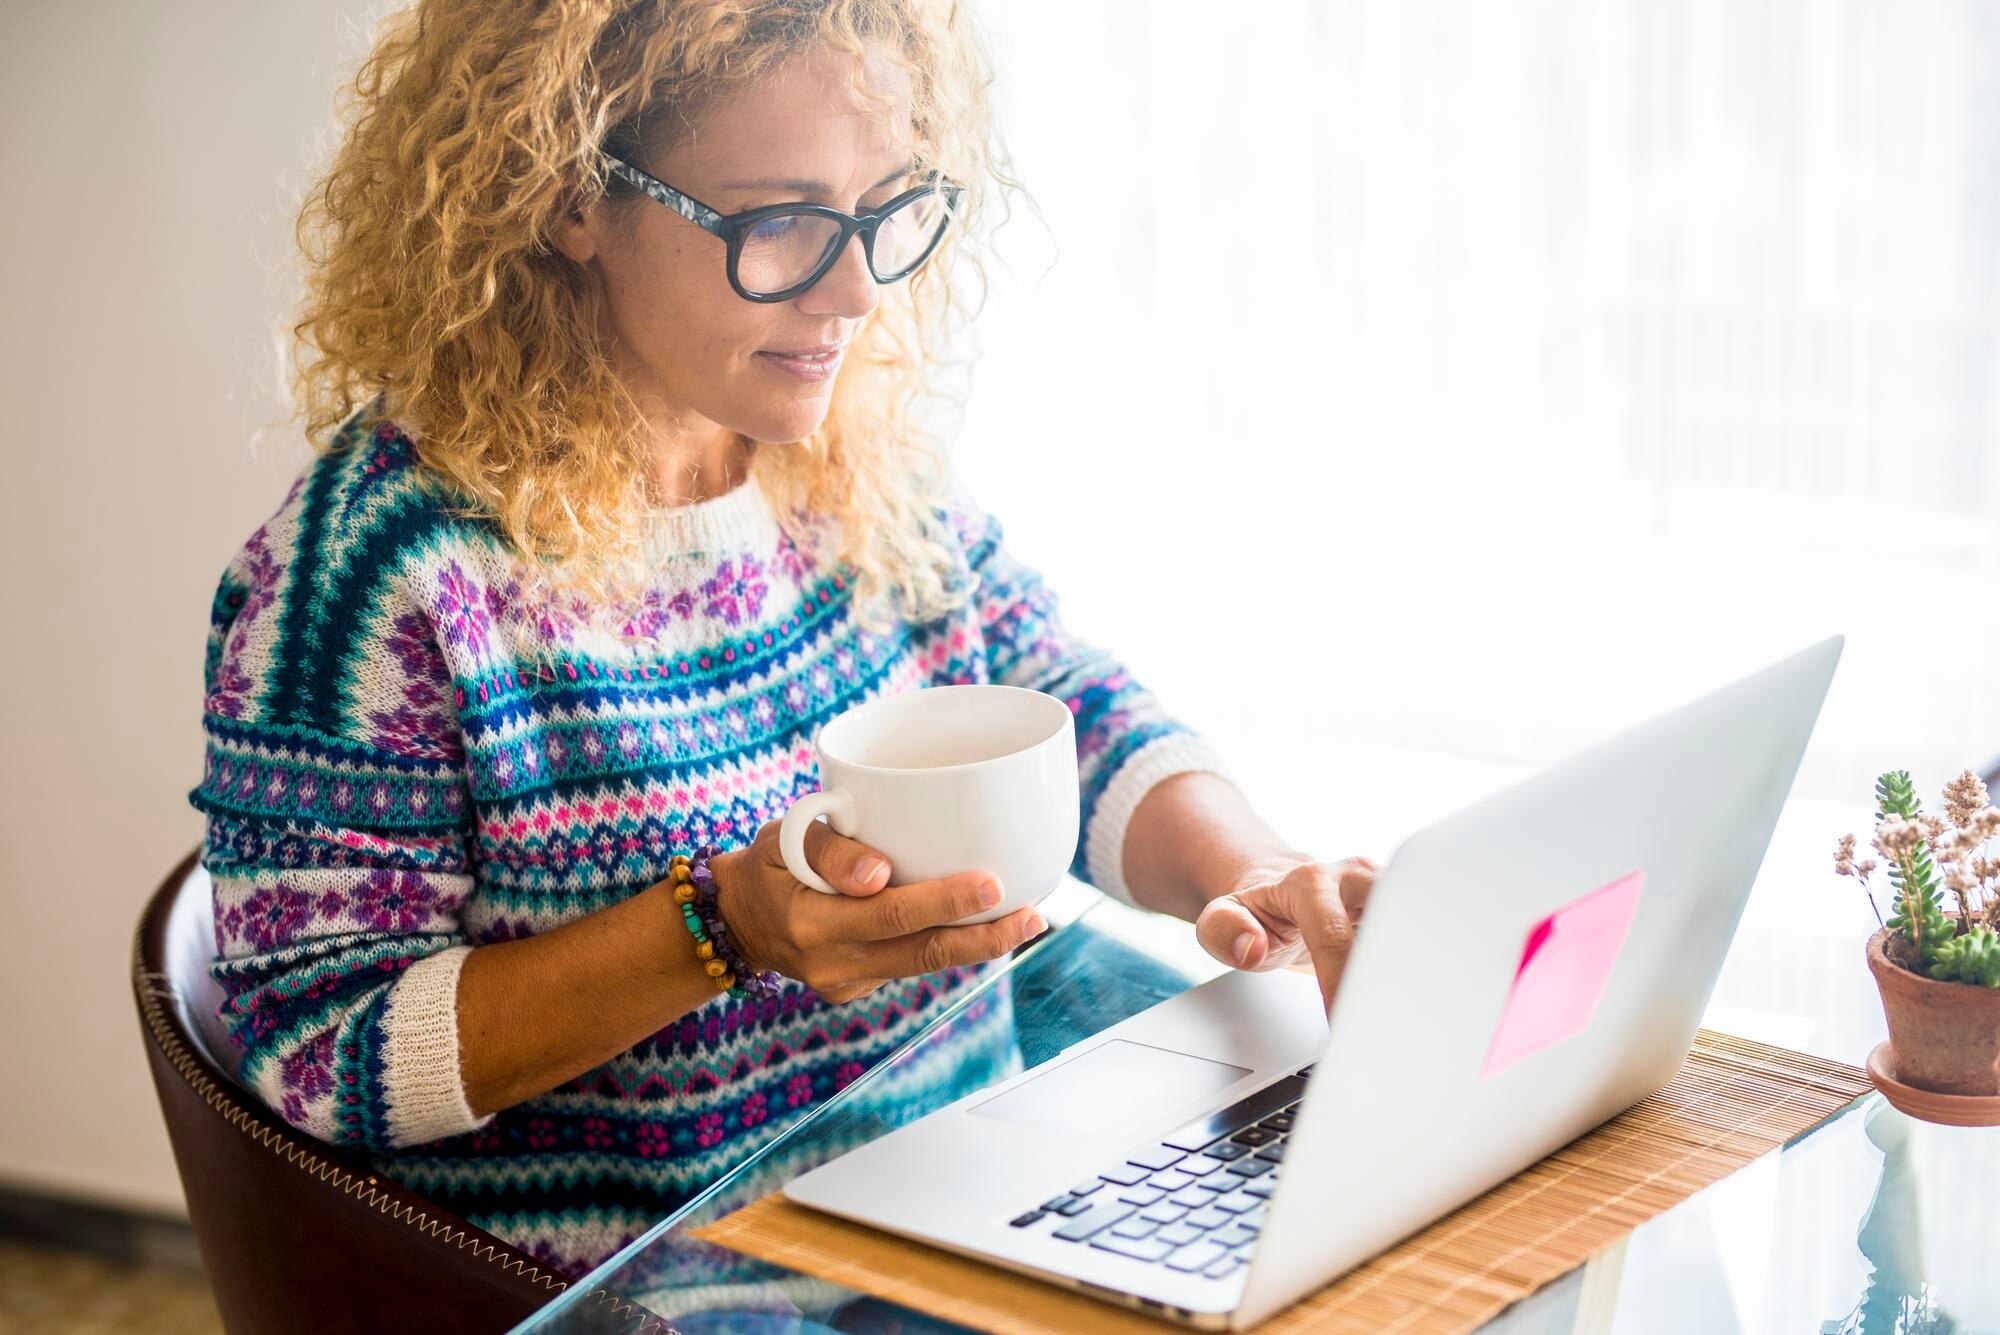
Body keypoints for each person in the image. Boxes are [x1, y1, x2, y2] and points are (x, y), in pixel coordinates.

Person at [189, 0, 1376, 1280]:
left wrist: (1251, 874)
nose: (856, 290)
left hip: (973, 1200)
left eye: (885, 211)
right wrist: (720, 931)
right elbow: (319, 1054)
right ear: (569, 199)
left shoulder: (840, 453)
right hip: (675, 1280)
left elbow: (1059, 704)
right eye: (782, 223)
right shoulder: (376, 582)